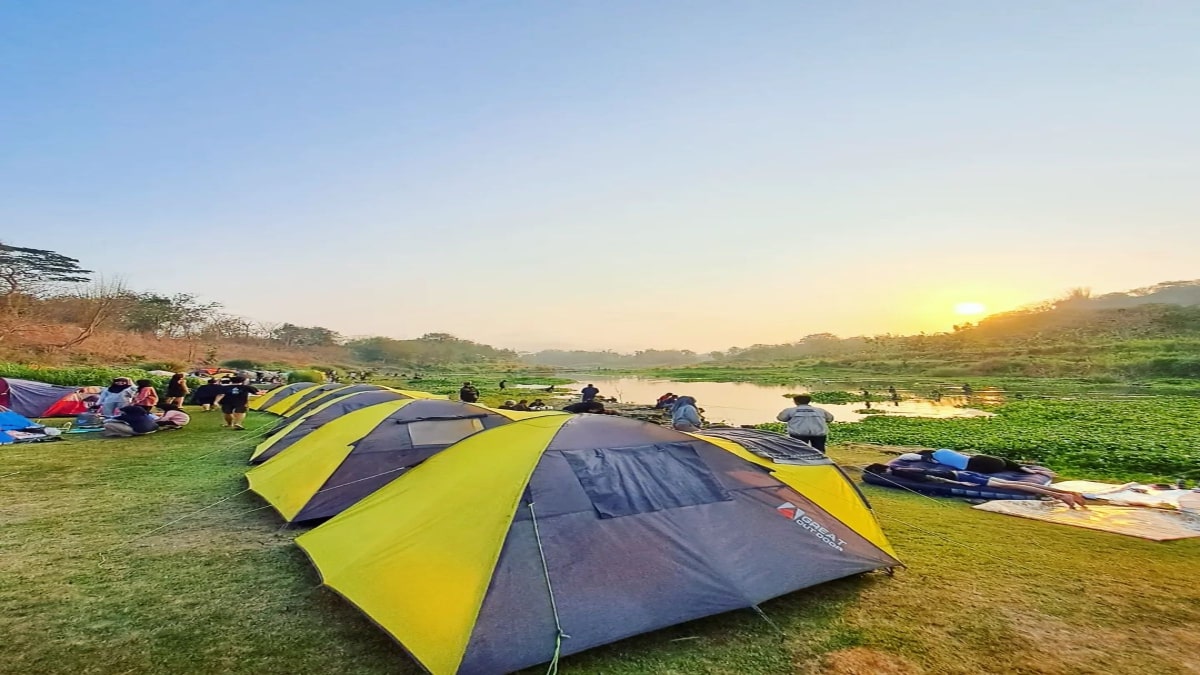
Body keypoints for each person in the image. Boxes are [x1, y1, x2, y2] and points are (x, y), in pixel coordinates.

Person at [864, 463, 1086, 509]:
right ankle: (1064, 493)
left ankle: (1064, 495)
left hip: (965, 478)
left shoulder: (901, 471)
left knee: (1017, 488)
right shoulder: (901, 469)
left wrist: (962, 482)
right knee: (1011, 485)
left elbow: (932, 478)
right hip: (965, 474)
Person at [913, 449, 1057, 478]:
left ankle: (1027, 470)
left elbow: (910, 457)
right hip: (992, 461)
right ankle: (1028, 470)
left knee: (980, 468)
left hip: (984, 465)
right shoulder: (944, 451)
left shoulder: (934, 457)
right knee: (1007, 463)